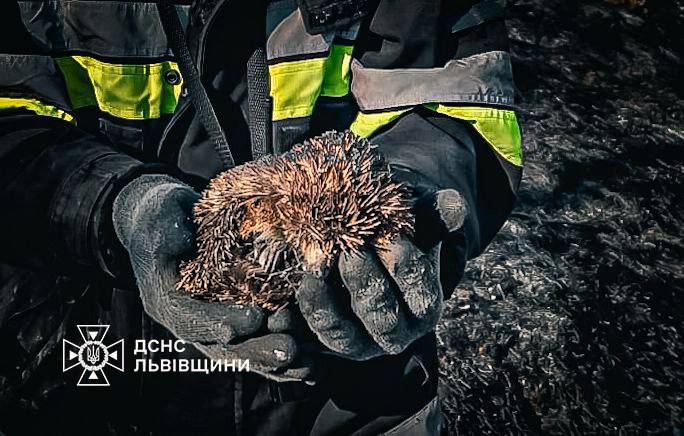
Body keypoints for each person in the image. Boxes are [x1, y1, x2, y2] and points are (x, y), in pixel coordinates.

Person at [0, 0, 522, 434]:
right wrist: (114, 206)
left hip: (354, 403)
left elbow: (462, 110)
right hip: (82, 368)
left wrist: (413, 191)